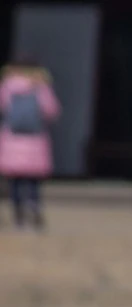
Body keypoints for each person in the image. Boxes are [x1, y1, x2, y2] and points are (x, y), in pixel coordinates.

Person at [0, 55, 59, 229]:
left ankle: (18, 211)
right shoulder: (41, 86)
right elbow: (51, 111)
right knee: (33, 180)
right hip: (35, 139)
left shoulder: (7, 86)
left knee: (15, 180)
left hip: (12, 139)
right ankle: (34, 204)